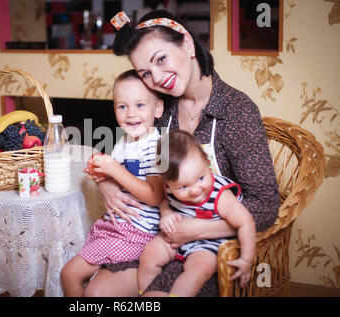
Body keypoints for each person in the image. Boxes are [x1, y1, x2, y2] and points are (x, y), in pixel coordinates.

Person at [84, 10, 279, 297]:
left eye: (161, 59)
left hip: (212, 251)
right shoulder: (160, 108)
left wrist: (196, 230)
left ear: (187, 44)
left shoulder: (236, 112)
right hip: (151, 236)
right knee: (94, 295)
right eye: (145, 73)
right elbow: (127, 156)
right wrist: (107, 186)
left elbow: (265, 206)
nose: (158, 79)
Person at [60, 69, 165, 296]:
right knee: (68, 275)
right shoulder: (124, 143)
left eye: (140, 105)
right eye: (122, 106)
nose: (130, 114)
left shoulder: (160, 145)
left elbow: (156, 196)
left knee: (86, 286)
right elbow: (106, 175)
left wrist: (114, 170)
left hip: (139, 233)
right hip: (114, 227)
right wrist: (100, 174)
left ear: (158, 109)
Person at [138, 130, 256, 297]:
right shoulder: (170, 188)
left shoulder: (220, 195)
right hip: (175, 238)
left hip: (207, 244)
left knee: (198, 270)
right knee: (149, 255)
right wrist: (166, 214)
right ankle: (146, 294)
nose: (195, 190)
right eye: (183, 187)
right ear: (168, 183)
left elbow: (246, 222)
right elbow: (165, 202)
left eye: (201, 178)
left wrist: (246, 259)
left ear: (207, 163)